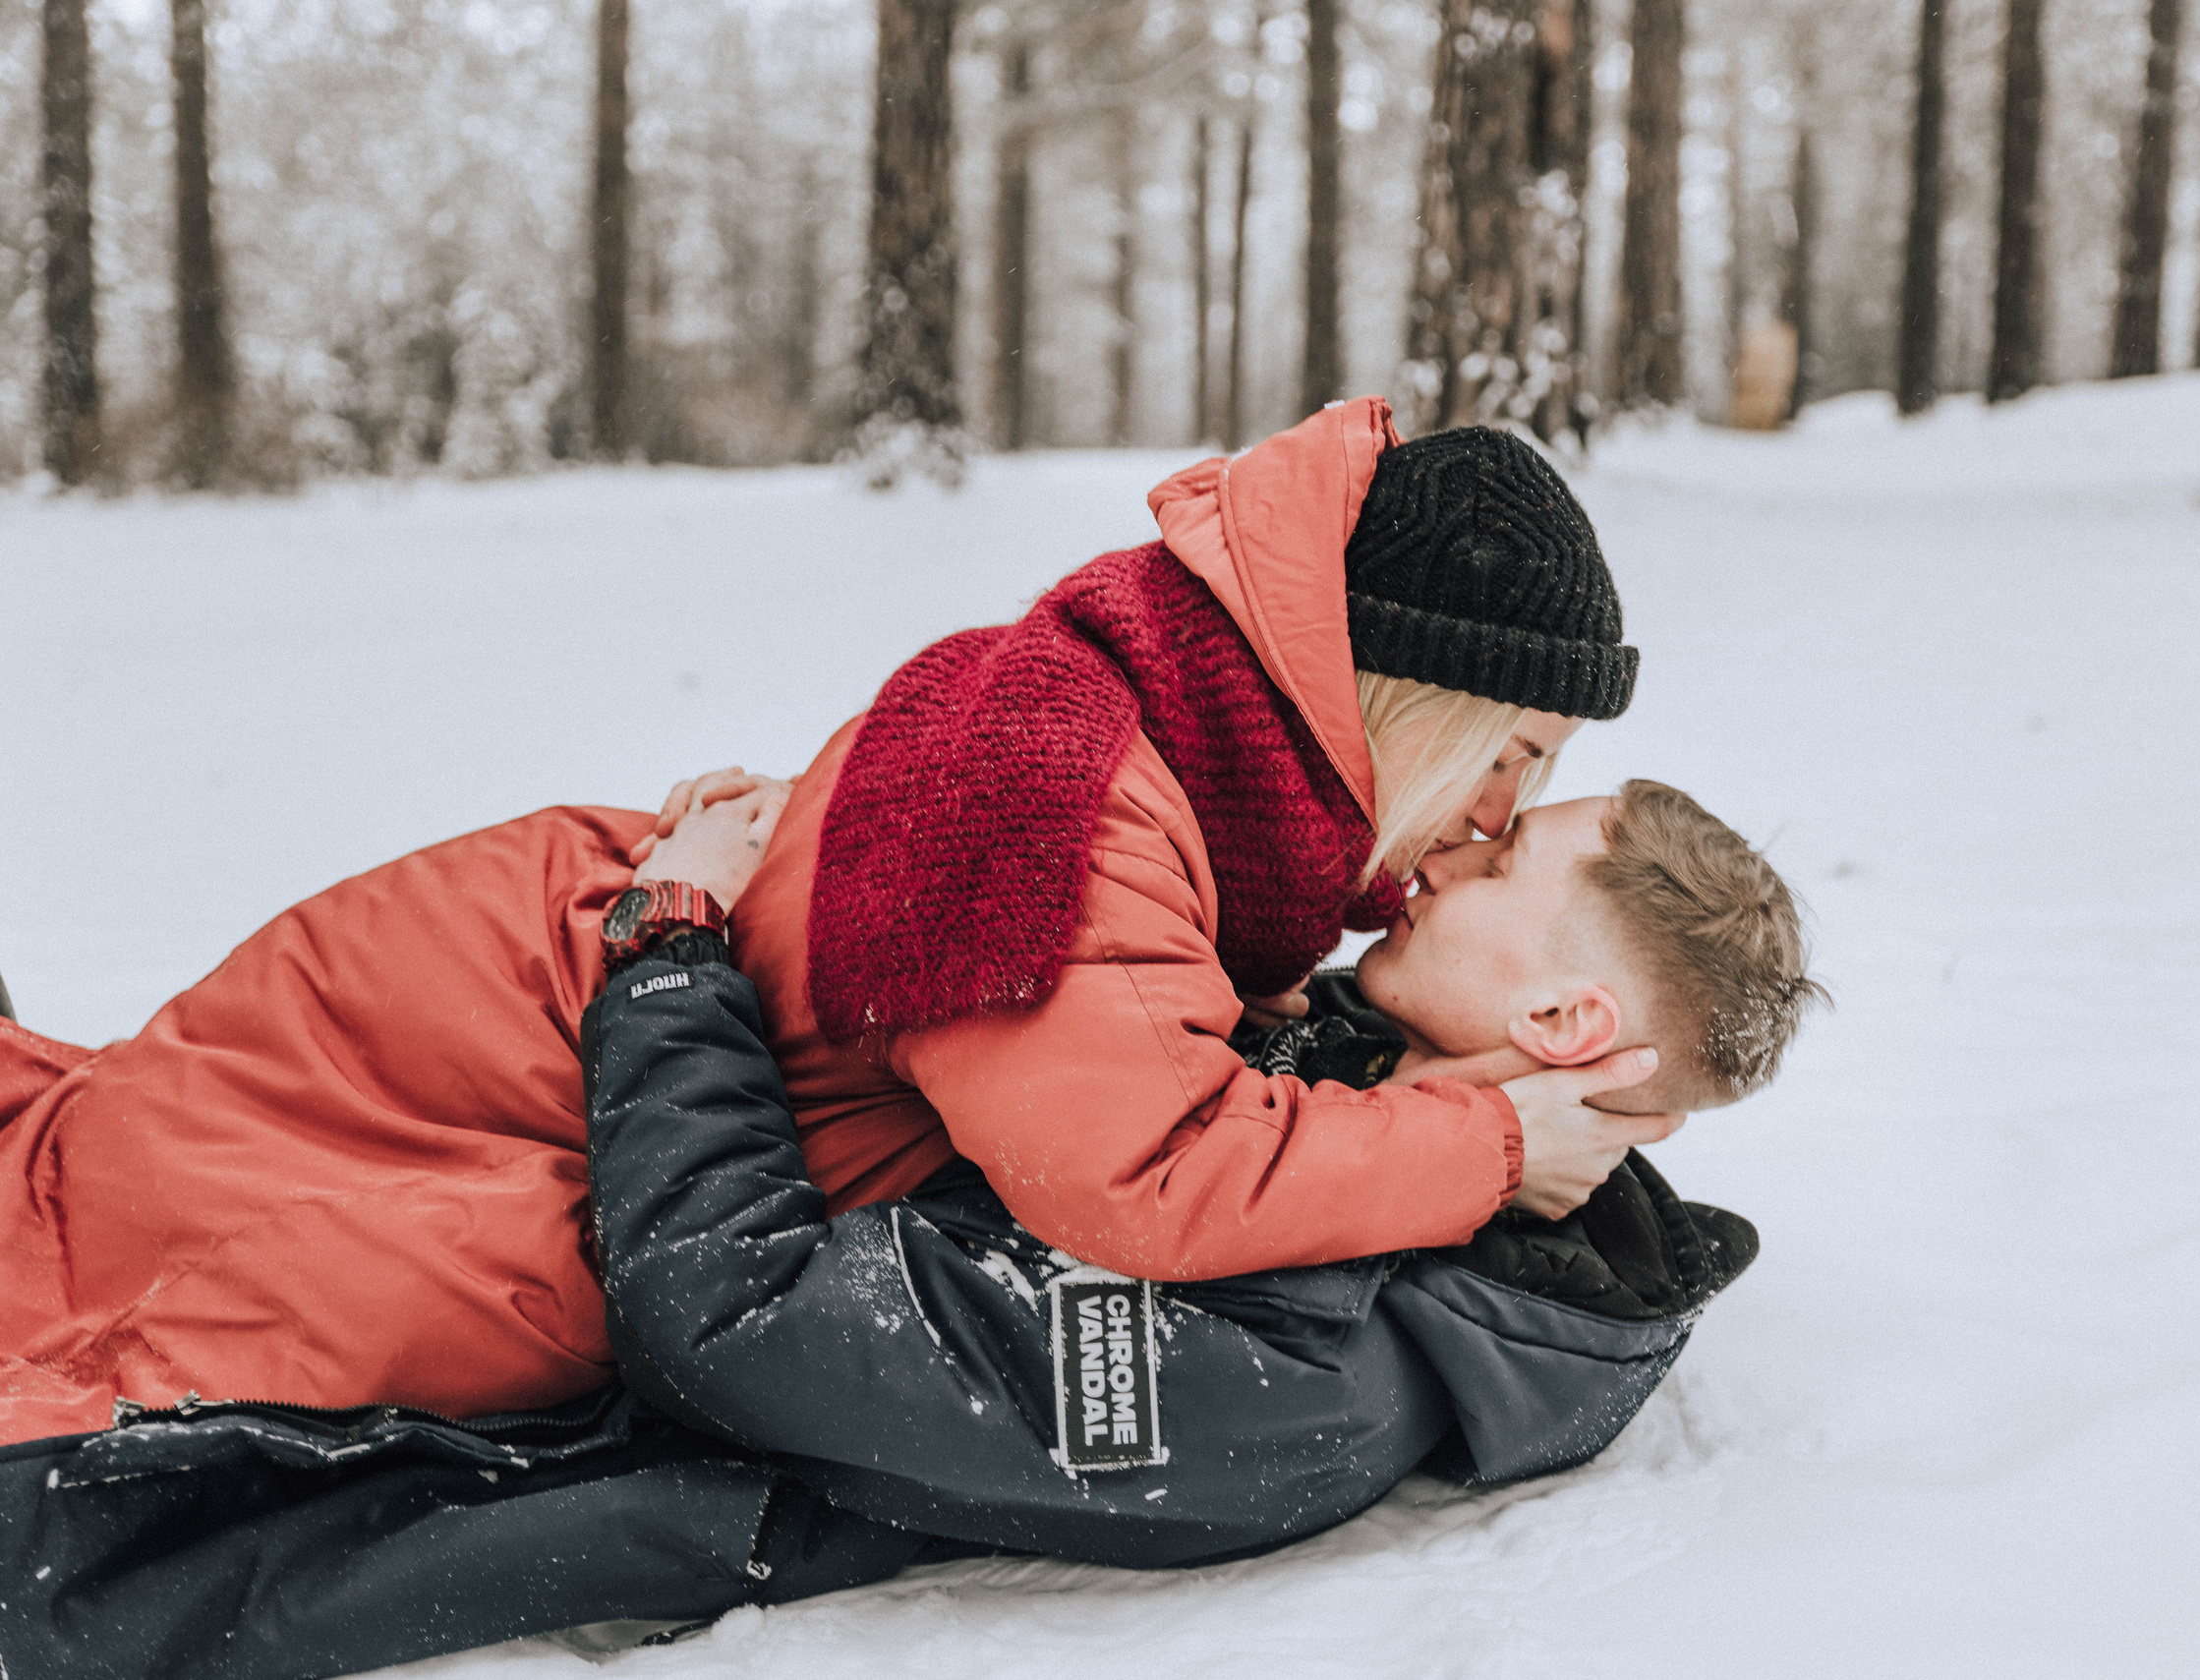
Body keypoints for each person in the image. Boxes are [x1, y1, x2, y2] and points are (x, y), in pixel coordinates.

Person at [0, 400, 1672, 1443]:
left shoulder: (1155, 719)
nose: (1499, 815)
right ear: (1409, 703)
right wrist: (1477, 1146)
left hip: (541, 967)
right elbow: (1147, 1171)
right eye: (1509, 756)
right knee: (417, 1297)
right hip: (466, 1049)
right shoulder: (1071, 798)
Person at [0, 779, 1817, 1680]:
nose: (1444, 854)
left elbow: (741, 1313)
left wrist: (673, 955)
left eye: (1500, 868)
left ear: (1575, 1031)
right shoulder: (1365, 1100)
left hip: (324, 1451)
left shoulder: (1299, 1363)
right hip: (385, 1217)